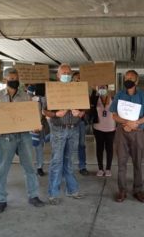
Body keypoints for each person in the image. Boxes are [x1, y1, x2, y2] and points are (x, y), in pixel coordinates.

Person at [0, 68, 45, 214]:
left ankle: (33, 195)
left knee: (30, 167)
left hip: (24, 136)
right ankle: (1, 199)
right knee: (2, 169)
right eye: (12, 78)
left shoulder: (25, 96)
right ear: (5, 80)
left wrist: (36, 124)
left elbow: (32, 116)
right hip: (5, 137)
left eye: (16, 78)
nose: (15, 81)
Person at [43, 64, 85, 205]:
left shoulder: (78, 90)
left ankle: (72, 190)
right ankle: (53, 193)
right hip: (58, 130)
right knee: (57, 161)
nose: (66, 74)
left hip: (74, 129)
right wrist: (56, 114)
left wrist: (80, 113)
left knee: (69, 161)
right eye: (63, 73)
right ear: (58, 76)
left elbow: (85, 109)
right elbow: (44, 111)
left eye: (68, 72)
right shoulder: (52, 91)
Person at [110, 70, 144, 203]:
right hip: (122, 132)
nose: (128, 79)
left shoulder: (142, 96)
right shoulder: (119, 95)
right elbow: (114, 115)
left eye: (131, 78)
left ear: (137, 81)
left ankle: (138, 191)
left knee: (138, 163)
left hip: (137, 132)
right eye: (126, 77)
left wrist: (136, 123)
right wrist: (126, 123)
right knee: (121, 163)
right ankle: (122, 191)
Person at [90, 85, 116, 177]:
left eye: (104, 88)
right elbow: (90, 107)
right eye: (100, 88)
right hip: (98, 128)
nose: (102, 90)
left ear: (107, 88)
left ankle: (108, 169)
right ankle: (100, 169)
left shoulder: (113, 98)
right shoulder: (95, 98)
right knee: (99, 149)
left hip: (111, 128)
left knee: (109, 149)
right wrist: (94, 91)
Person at [27, 84, 48, 177]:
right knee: (29, 149)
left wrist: (41, 100)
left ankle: (39, 167)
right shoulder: (25, 98)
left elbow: (45, 108)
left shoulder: (41, 99)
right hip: (27, 127)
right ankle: (30, 168)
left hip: (39, 126)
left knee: (39, 148)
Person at [72, 71, 89, 176]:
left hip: (81, 122)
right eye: (76, 78)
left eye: (79, 78)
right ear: (72, 80)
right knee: (70, 145)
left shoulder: (84, 92)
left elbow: (88, 107)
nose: (78, 80)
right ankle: (69, 166)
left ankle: (82, 166)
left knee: (81, 145)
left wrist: (83, 112)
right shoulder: (66, 91)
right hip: (69, 123)